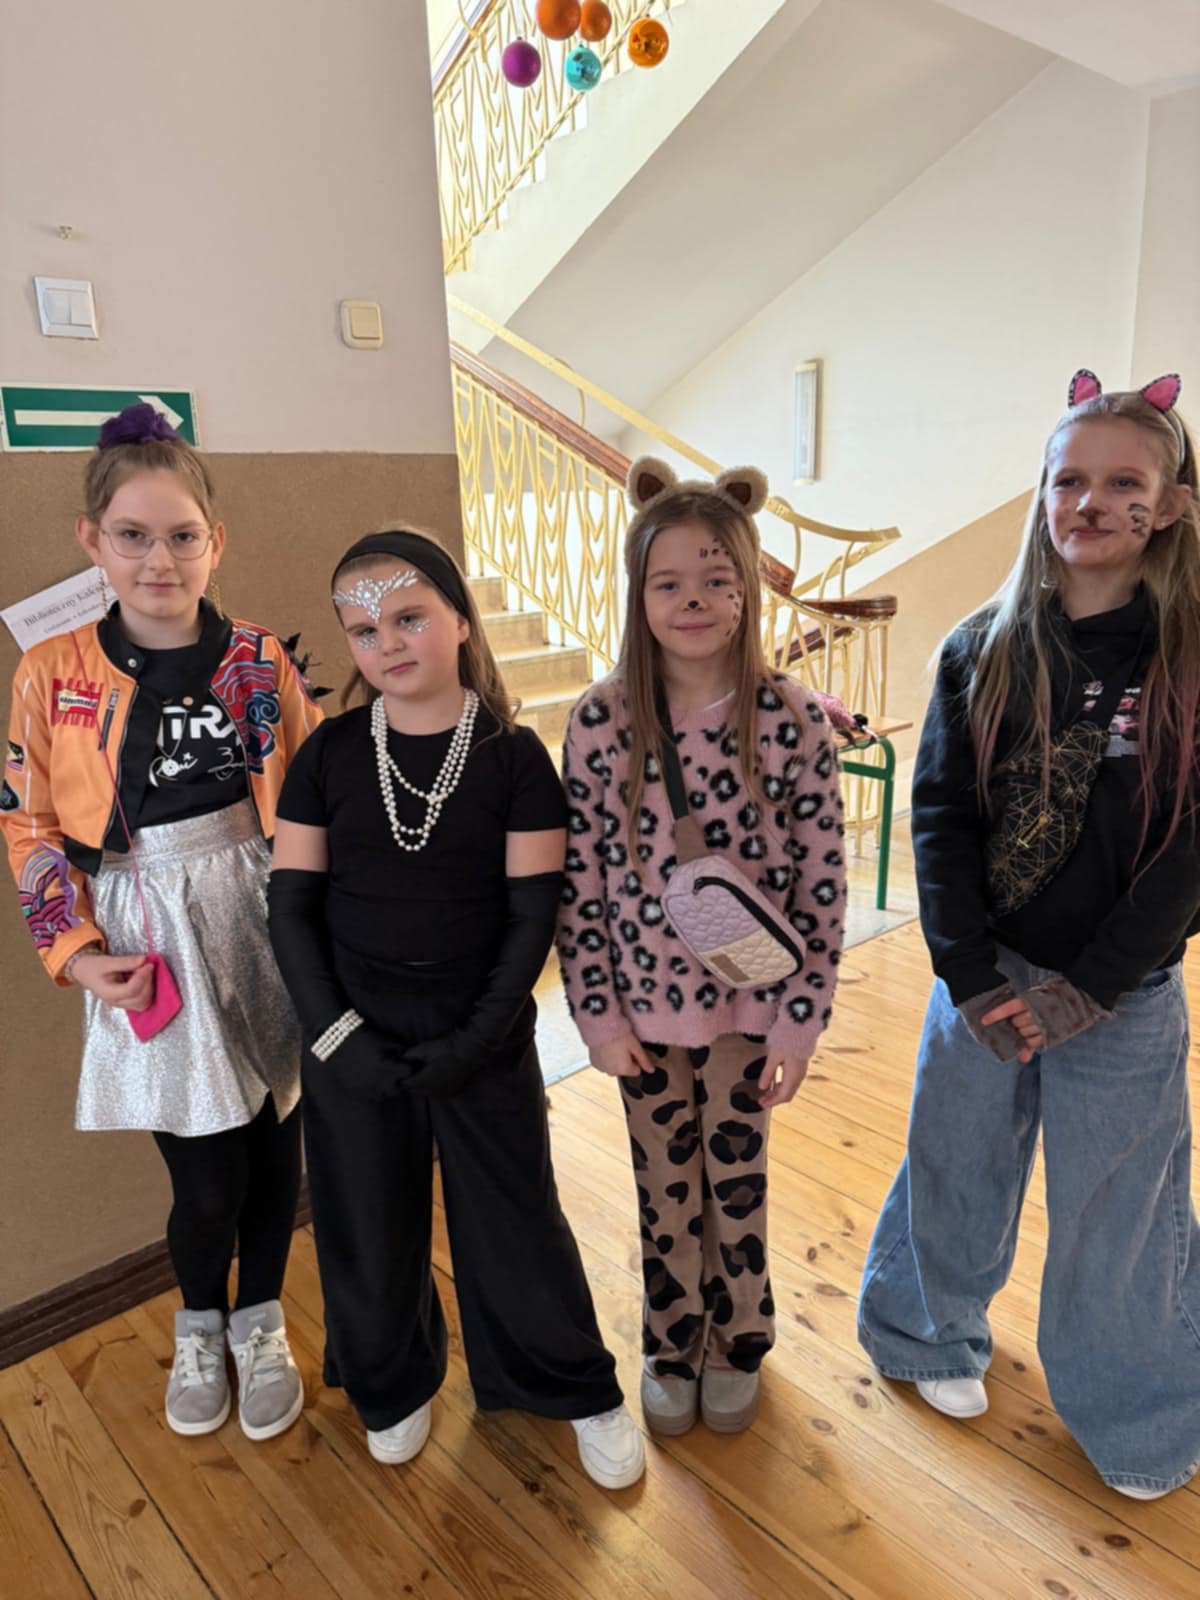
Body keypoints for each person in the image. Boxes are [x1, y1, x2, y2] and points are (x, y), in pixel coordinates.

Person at [858, 371, 1200, 1500]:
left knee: (1120, 1206)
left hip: (1124, 995)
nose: (1089, 503)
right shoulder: (981, 649)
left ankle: (1139, 1405)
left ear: (1172, 505)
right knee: (954, 1159)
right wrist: (966, 974)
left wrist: (1093, 987)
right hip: (986, 977)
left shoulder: (1188, 661)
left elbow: (1188, 853)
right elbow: (940, 819)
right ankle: (923, 1330)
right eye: (1068, 480)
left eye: (1122, 482)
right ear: (1042, 494)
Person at [266, 527, 644, 1489]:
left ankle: (566, 1380)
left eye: (408, 618)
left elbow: (530, 913)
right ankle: (390, 1380)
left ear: (460, 621)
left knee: (514, 1214)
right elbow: (291, 905)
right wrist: (335, 1034)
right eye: (364, 631)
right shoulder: (327, 754)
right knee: (365, 1213)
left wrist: (483, 1031)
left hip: (482, 1028)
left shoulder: (516, 760)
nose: (387, 643)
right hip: (351, 1031)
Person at [1, 403, 321, 1439]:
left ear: (214, 541)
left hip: (263, 910)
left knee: (276, 1145)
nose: (159, 560)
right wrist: (75, 950)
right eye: (133, 536)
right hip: (145, 928)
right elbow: (28, 821)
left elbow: (318, 792)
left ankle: (261, 1319)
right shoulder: (50, 673)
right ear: (92, 540)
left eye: (182, 536)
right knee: (205, 1171)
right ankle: (201, 1323)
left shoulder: (259, 657)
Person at [556, 458, 846, 1438]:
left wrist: (799, 1024)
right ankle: (671, 1340)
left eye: (717, 579)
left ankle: (740, 1341)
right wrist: (597, 1016)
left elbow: (822, 884)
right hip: (642, 1018)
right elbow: (580, 883)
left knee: (737, 1181)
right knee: (665, 1190)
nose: (693, 600)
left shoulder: (793, 718)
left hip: (751, 1011)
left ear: (749, 588)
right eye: (669, 582)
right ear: (638, 595)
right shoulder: (602, 720)